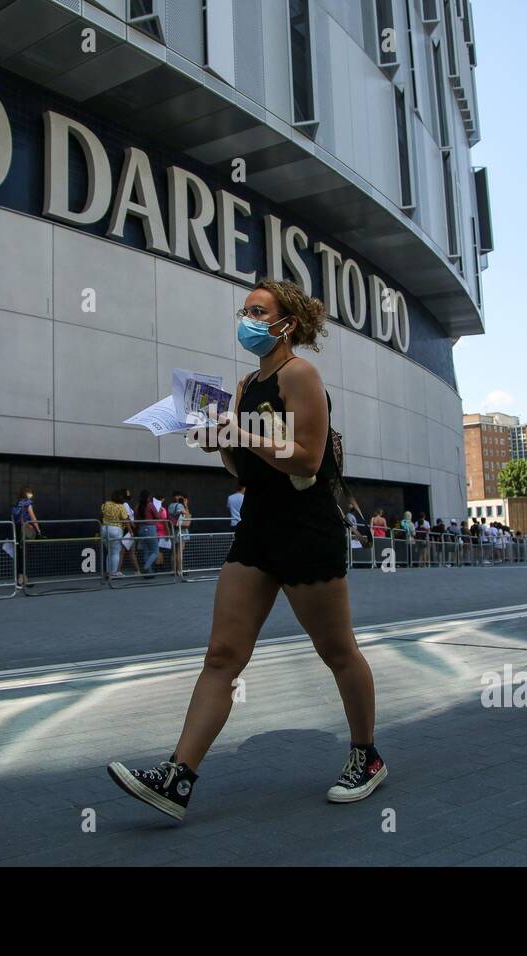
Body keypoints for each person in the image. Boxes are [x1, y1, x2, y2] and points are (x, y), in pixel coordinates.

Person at [107, 277, 384, 821]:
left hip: (306, 525)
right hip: (258, 524)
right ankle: (177, 777)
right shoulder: (241, 386)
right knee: (222, 655)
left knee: (337, 651)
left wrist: (242, 433)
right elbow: (244, 465)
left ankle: (366, 756)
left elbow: (307, 458)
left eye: (260, 311)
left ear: (288, 324)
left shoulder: (300, 374)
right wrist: (218, 444)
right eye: (246, 310)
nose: (249, 319)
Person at [101, 490, 131, 579]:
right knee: (115, 552)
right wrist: (131, 531)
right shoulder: (121, 507)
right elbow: (125, 520)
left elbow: (102, 514)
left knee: (109, 552)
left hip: (104, 528)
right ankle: (113, 573)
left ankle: (108, 572)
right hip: (116, 529)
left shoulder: (106, 504)